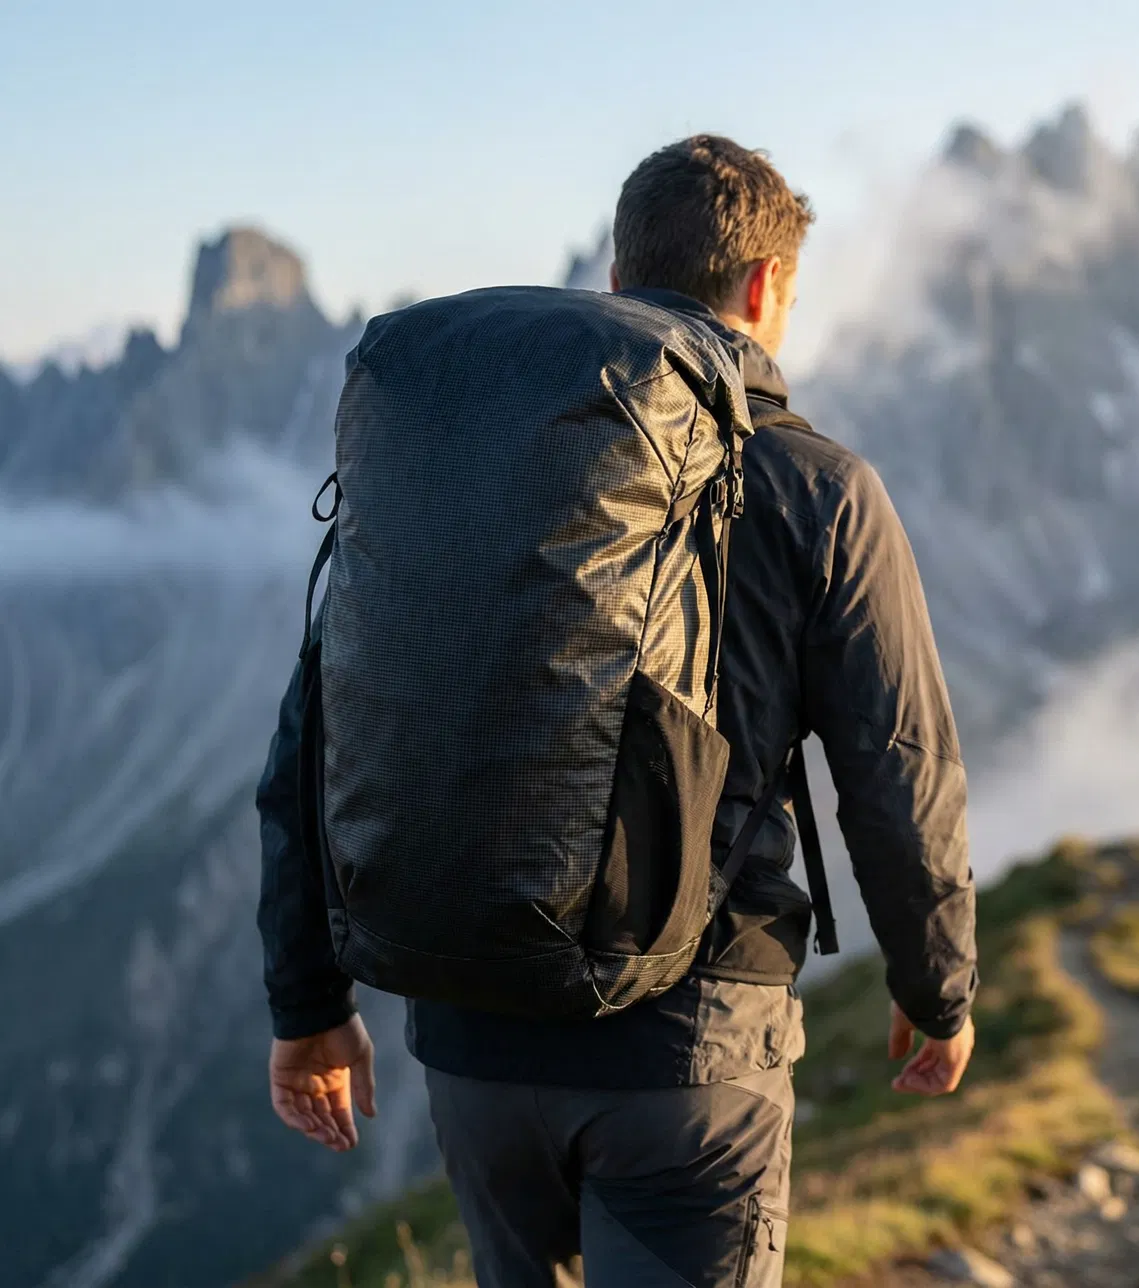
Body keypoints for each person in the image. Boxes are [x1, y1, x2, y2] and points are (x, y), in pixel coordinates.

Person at [255, 135, 978, 1287]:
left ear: (616, 279)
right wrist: (936, 986)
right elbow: (896, 766)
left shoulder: (465, 470)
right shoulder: (823, 489)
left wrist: (307, 1002)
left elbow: (320, 727)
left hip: (474, 1038)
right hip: (691, 1053)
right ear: (764, 289)